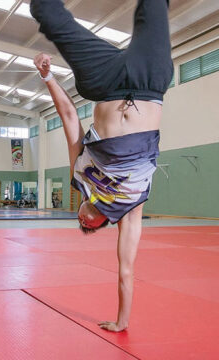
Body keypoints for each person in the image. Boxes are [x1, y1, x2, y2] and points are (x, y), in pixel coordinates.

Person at [31, 0, 173, 332]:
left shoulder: (78, 179)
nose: (81, 220)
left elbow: (68, 117)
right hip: (150, 81)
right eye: (88, 227)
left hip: (105, 83)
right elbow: (126, 271)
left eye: (80, 221)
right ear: (100, 225)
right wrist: (122, 322)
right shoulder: (130, 211)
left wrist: (49, 76)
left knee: (45, 13)